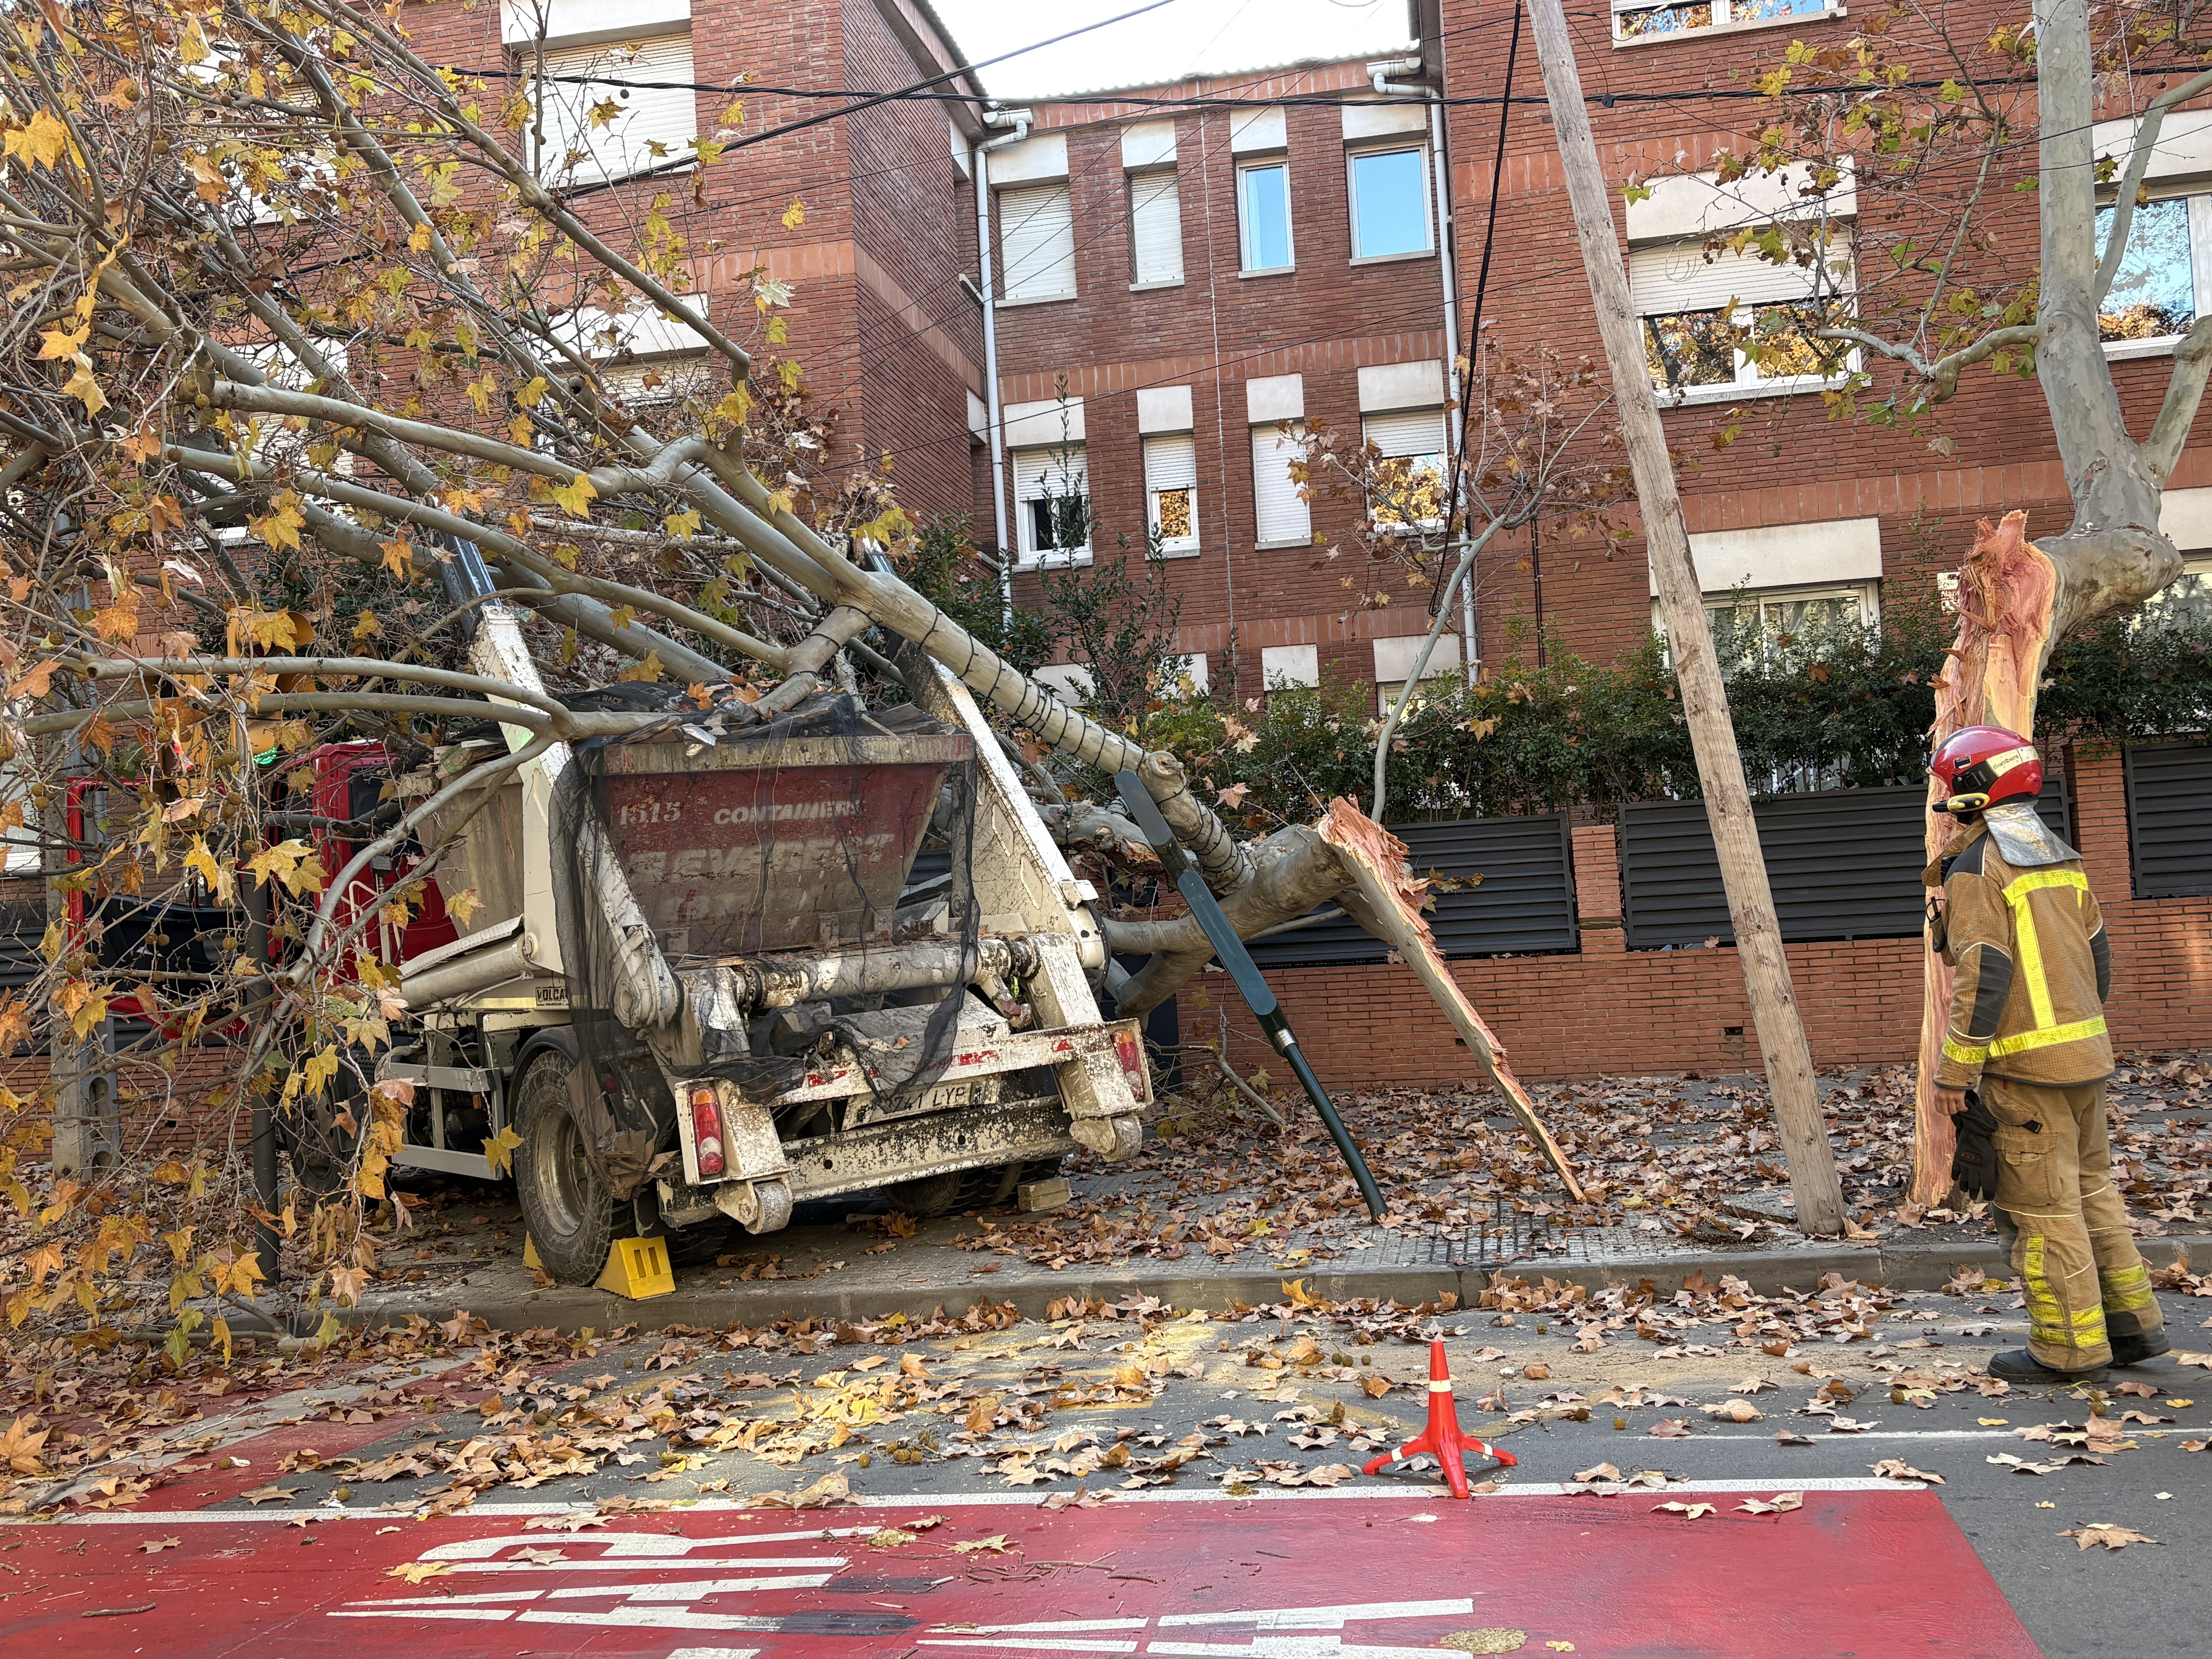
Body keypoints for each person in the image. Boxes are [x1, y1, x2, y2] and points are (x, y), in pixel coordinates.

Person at [1923, 725, 2166, 1384]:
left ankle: (2067, 1350)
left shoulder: (1979, 866)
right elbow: (2100, 961)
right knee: (2092, 1193)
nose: (1943, 801)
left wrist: (1955, 1074)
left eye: (1950, 787)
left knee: (2042, 1212)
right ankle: (2132, 1329)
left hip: (2023, 1074)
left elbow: (1985, 972)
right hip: (2085, 1061)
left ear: (1975, 790)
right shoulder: (2060, 857)